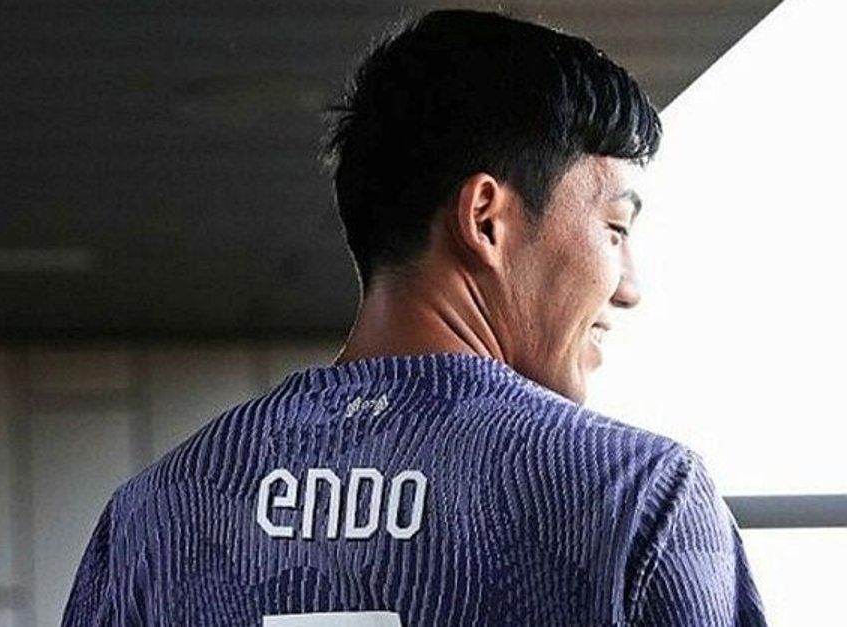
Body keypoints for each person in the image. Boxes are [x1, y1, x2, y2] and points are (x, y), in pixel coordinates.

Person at [63, 10, 767, 626]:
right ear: (485, 219)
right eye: (614, 228)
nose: (629, 287)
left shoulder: (157, 515)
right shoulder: (638, 497)